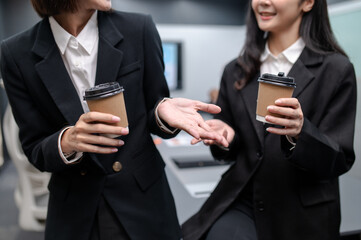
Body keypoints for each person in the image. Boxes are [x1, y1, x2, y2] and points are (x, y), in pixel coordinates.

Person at [0, 0, 228, 239]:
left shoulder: (139, 29)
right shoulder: (16, 53)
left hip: (143, 200)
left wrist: (161, 112)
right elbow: (34, 148)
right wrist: (68, 140)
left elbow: (154, 107)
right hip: (75, 209)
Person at [182, 0, 357, 239]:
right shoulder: (235, 70)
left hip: (301, 211)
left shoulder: (337, 70)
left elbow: (339, 160)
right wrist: (226, 137)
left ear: (307, 3)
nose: (262, 1)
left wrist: (300, 132)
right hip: (244, 200)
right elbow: (231, 151)